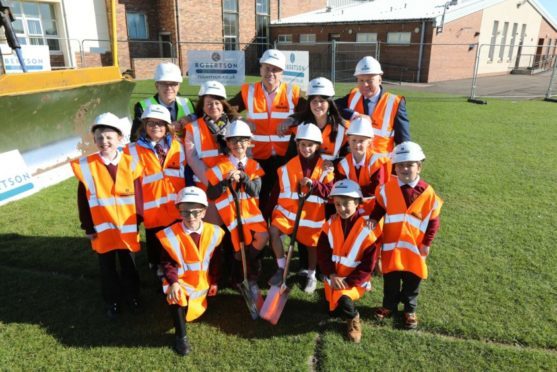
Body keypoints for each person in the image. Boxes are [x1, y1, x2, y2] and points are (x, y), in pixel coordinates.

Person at [71, 112, 143, 319]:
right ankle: (112, 301)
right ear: (94, 140)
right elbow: (83, 201)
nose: (104, 141)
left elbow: (138, 196)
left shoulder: (131, 163)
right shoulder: (87, 166)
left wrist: (138, 221)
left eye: (109, 137)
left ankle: (133, 296)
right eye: (100, 137)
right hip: (102, 229)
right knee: (107, 268)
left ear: (120, 139)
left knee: (129, 265)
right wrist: (88, 227)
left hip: (127, 227)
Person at [368, 141, 443, 329]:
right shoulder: (386, 188)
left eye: (409, 165)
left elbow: (433, 220)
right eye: (400, 165)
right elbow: (379, 207)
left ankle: (410, 309)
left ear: (419, 167)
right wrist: (374, 219)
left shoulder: (427, 192)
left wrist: (427, 242)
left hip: (415, 248)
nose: (404, 169)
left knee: (412, 280)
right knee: (391, 280)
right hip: (392, 246)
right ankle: (388, 306)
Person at [228, 49, 304, 217]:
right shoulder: (249, 91)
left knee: (282, 197)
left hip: (285, 157)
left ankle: (278, 233)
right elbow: (227, 108)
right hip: (258, 155)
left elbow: (308, 113)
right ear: (260, 69)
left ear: (282, 72)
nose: (271, 73)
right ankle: (263, 236)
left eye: (275, 69)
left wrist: (291, 120)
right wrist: (241, 119)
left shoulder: (293, 92)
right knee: (260, 198)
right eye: (267, 68)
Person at [157, 186, 225, 356]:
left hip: (203, 280)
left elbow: (217, 260)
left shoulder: (215, 232)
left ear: (203, 212)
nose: (191, 217)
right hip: (180, 281)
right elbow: (167, 263)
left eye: (195, 212)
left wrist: (215, 281)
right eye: (185, 212)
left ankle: (196, 306)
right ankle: (181, 337)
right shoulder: (169, 235)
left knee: (197, 305)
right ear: (178, 212)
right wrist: (173, 283)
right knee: (175, 297)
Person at [268, 123, 334, 293]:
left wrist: (314, 184)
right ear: (297, 145)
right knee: (273, 232)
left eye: (310, 145)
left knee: (313, 245)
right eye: (302, 144)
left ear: (317, 146)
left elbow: (329, 192)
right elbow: (277, 190)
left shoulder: (325, 166)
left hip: (312, 215)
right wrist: (268, 211)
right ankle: (282, 267)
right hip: (288, 213)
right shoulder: (288, 166)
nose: (306, 148)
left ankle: (311, 275)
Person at [206, 119, 269, 293]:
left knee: (262, 237)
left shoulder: (254, 166)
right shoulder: (220, 166)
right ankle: (241, 277)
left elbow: (255, 191)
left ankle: (247, 267)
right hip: (231, 216)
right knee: (237, 245)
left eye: (242, 140)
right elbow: (211, 194)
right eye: (233, 141)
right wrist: (226, 182)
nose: (237, 144)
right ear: (227, 143)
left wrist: (243, 177)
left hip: (251, 214)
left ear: (249, 142)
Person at [125, 104, 185, 280]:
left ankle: (175, 265)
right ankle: (156, 265)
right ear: (144, 125)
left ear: (167, 126)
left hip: (175, 206)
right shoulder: (132, 149)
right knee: (155, 238)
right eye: (151, 123)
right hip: (151, 207)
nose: (156, 127)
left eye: (160, 123)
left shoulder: (178, 146)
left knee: (174, 238)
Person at [317, 179, 380, 343]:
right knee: (332, 311)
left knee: (345, 302)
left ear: (358, 202)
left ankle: (354, 319)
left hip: (355, 281)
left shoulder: (367, 227)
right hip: (334, 278)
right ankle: (338, 302)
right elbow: (322, 251)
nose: (342, 209)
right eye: (337, 204)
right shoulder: (330, 223)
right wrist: (331, 274)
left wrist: (349, 282)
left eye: (346, 204)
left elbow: (369, 264)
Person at [183, 80, 241, 225]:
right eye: (208, 103)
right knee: (213, 228)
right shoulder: (193, 128)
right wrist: (212, 182)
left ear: (223, 104)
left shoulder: (235, 125)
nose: (213, 106)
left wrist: (236, 175)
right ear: (202, 106)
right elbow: (192, 159)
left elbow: (244, 153)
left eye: (217, 103)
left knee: (234, 228)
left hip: (233, 183)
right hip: (208, 187)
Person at [335, 56, 410, 155]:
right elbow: (333, 106)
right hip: (354, 162)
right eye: (361, 80)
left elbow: (403, 141)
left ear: (379, 80)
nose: (365, 85)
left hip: (380, 164)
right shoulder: (354, 95)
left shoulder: (395, 103)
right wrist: (354, 115)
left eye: (369, 80)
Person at [284, 77, 348, 163]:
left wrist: (333, 165)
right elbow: (290, 158)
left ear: (329, 103)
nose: (318, 105)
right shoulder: (298, 127)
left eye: (322, 101)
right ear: (309, 103)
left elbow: (347, 158)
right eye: (314, 101)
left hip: (332, 175)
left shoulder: (343, 129)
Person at [336, 116, 390, 215]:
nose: (357, 145)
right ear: (348, 140)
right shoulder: (343, 164)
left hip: (376, 211)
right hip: (350, 210)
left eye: (361, 141)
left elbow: (376, 188)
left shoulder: (377, 161)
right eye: (354, 140)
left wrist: (352, 192)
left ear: (369, 142)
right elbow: (341, 189)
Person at [131, 62, 195, 141]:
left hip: (183, 152)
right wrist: (168, 129)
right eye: (164, 83)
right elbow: (135, 138)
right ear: (157, 85)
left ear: (179, 86)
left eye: (173, 84)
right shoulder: (143, 106)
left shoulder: (188, 103)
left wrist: (190, 119)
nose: (169, 88)